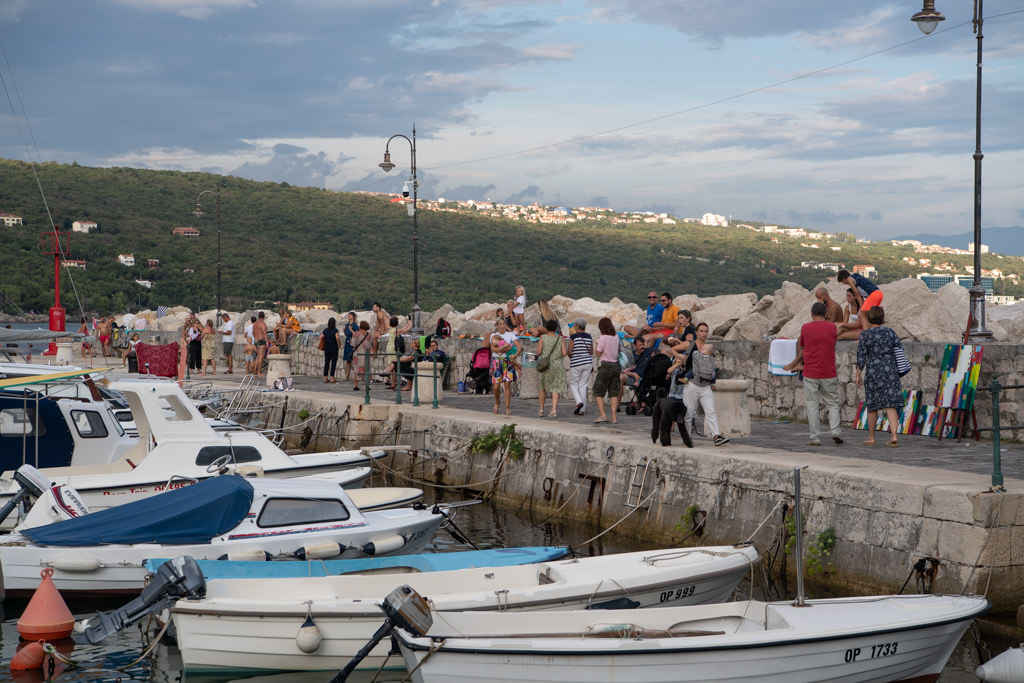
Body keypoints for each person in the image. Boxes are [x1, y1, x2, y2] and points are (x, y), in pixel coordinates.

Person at [784, 302, 843, 446]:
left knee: (812, 404)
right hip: (828, 371)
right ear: (826, 314)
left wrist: (794, 363)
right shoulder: (832, 328)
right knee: (833, 403)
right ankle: (835, 430)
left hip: (810, 371)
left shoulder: (805, 328)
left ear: (811, 313)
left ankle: (815, 437)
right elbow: (832, 344)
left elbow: (803, 348)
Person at [855, 306, 903, 447]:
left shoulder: (865, 335)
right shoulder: (890, 332)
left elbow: (861, 355)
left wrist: (858, 373)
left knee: (873, 405)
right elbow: (899, 349)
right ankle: (894, 435)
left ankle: (871, 437)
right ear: (882, 318)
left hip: (873, 372)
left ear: (869, 318)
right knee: (890, 404)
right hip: (890, 371)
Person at [682, 322, 730, 446]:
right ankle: (687, 437)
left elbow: (711, 367)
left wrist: (713, 381)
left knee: (711, 411)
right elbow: (673, 350)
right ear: (696, 332)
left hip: (705, 385)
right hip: (692, 384)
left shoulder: (709, 348)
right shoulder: (691, 344)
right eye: (701, 331)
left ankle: (716, 436)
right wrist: (680, 359)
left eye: (706, 331)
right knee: (688, 413)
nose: (704, 333)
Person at [535, 319, 567, 417]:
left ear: (547, 327)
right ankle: (553, 410)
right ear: (556, 328)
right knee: (555, 388)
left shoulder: (543, 338)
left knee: (542, 387)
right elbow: (564, 353)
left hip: (545, 365)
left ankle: (541, 410)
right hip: (557, 365)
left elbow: (538, 352)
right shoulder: (559, 338)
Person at [592, 317, 620, 424]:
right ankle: (614, 417)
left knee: (597, 391)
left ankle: (603, 415)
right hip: (616, 366)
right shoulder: (616, 337)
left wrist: (596, 345)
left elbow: (598, 353)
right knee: (613, 393)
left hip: (606, 366)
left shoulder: (603, 338)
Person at [490, 317, 519, 415]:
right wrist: (504, 349)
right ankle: (497, 402)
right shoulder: (494, 335)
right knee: (496, 386)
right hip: (497, 361)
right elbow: (493, 349)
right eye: (500, 324)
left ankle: (507, 406)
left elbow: (519, 346)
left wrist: (515, 354)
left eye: (504, 324)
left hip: (507, 361)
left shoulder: (510, 334)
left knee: (507, 384)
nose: (502, 326)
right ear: (497, 325)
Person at [567, 318, 594, 416]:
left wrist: (573, 358)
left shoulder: (573, 337)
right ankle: (582, 410)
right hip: (588, 363)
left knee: (573, 384)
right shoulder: (589, 337)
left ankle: (579, 402)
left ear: (577, 326)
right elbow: (591, 352)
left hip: (576, 364)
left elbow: (569, 351)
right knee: (583, 386)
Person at [350, 321, 371, 390]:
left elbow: (353, 344)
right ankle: (366, 385)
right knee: (366, 370)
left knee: (356, 369)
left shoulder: (356, 334)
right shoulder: (368, 335)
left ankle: (355, 385)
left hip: (357, 355)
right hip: (365, 355)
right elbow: (369, 346)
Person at [322, 317, 341, 383]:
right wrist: (339, 344)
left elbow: (321, 336)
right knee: (333, 362)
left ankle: (325, 377)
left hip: (327, 347)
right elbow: (337, 337)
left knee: (326, 362)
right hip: (333, 347)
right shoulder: (335, 330)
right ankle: (332, 377)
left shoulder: (325, 330)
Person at [342, 312, 359, 382]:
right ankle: (347, 376)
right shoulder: (347, 325)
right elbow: (346, 335)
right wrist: (344, 330)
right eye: (348, 315)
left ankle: (356, 376)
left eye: (350, 315)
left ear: (353, 317)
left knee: (353, 360)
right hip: (347, 342)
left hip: (352, 342)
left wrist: (351, 329)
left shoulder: (355, 325)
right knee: (348, 360)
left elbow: (357, 334)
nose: (349, 316)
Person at [252, 312, 269, 377]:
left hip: (256, 340)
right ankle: (259, 372)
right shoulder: (263, 324)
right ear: (263, 317)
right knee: (261, 357)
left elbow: (253, 332)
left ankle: (254, 372)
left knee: (258, 357)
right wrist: (267, 342)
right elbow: (264, 333)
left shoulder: (255, 324)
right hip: (261, 340)